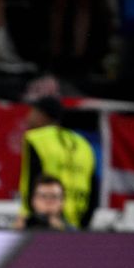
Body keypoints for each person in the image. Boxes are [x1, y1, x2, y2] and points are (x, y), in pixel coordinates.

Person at [20, 95, 98, 229]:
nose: (28, 118)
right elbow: (94, 188)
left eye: (32, 112)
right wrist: (84, 225)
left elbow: (32, 179)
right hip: (78, 222)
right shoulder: (83, 144)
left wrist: (29, 218)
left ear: (42, 115)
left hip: (44, 222)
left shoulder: (37, 139)